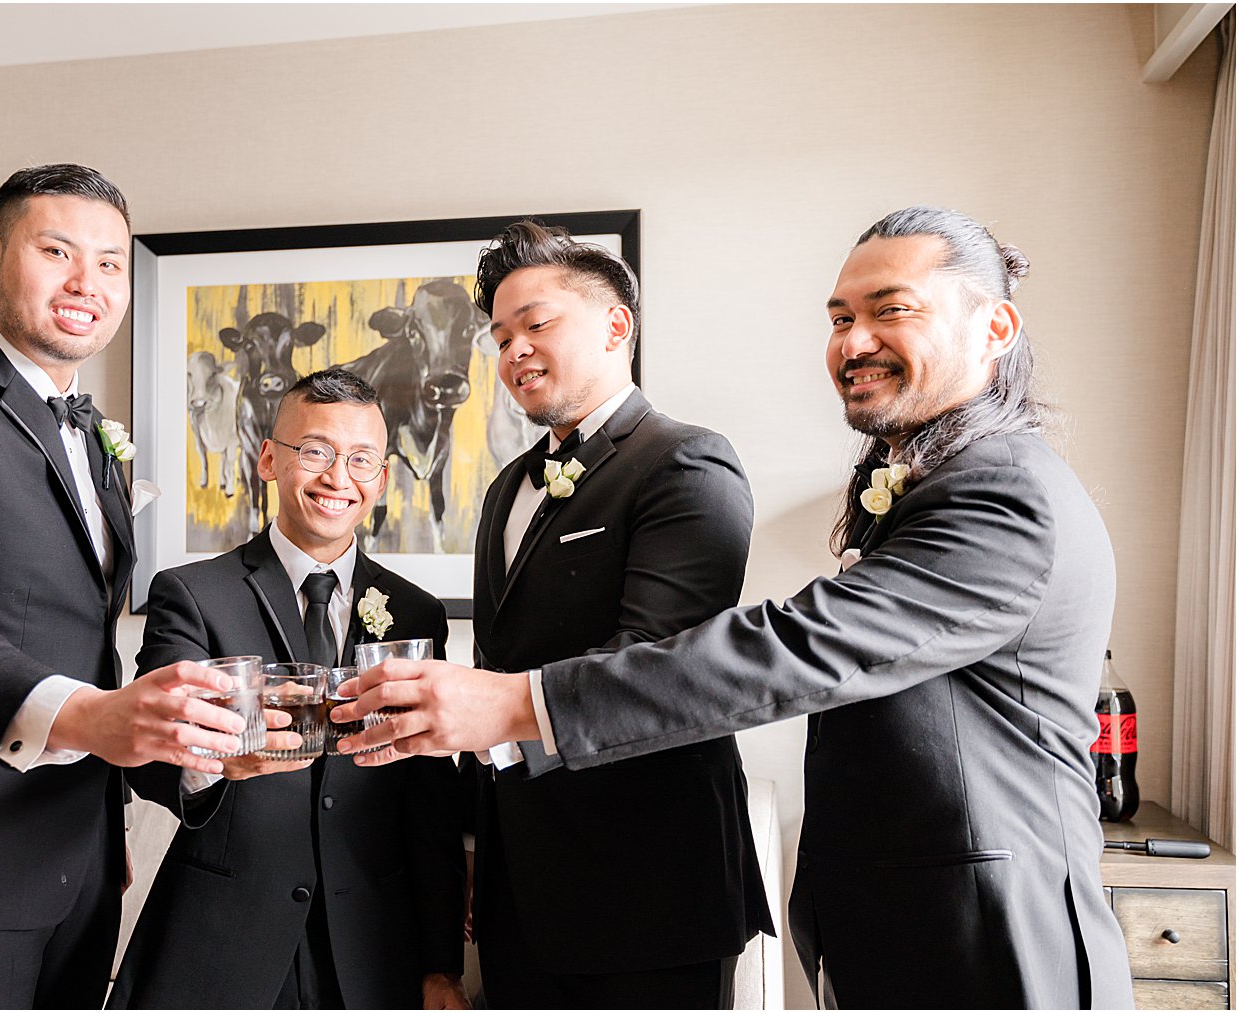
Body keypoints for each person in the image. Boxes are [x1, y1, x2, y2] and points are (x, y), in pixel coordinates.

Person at [338, 206, 1136, 1008]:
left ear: (995, 327)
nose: (853, 341)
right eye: (840, 318)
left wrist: (514, 703)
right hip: (892, 929)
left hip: (993, 940)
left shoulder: (1006, 493)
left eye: (889, 309)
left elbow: (799, 648)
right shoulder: (926, 483)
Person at [0, 164, 251, 1008]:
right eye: (56, 250)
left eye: (110, 262)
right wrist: (101, 718)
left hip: (79, 861)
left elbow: (80, 637)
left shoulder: (93, 434)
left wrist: (186, 754)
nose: (86, 282)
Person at [420, 221, 773, 1008]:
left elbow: (661, 664)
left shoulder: (687, 461)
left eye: (537, 324)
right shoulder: (509, 485)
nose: (513, 351)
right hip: (518, 894)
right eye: (500, 336)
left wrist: (495, 728)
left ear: (617, 325)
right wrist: (477, 840)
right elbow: (497, 662)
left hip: (650, 890)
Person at [106, 368, 468, 1010]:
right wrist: (213, 762)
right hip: (223, 940)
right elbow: (153, 763)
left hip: (372, 947)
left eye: (360, 459)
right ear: (269, 458)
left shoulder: (416, 614)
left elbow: (429, 805)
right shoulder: (193, 594)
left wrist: (440, 965)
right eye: (316, 452)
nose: (338, 478)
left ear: (381, 479)